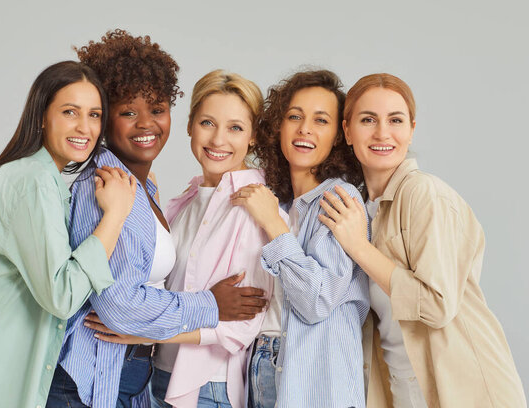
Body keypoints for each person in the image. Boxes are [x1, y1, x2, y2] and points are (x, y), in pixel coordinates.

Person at [46, 32, 267, 408]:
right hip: (91, 378)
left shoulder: (147, 190)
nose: (146, 124)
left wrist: (148, 335)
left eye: (157, 109)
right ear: (103, 118)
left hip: (134, 376)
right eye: (128, 112)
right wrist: (210, 304)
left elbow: (248, 315)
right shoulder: (103, 183)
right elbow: (118, 306)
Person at [0, 60, 137, 408]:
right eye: (70, 112)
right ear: (42, 116)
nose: (85, 127)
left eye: (95, 115)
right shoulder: (32, 181)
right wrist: (115, 215)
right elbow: (62, 294)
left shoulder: (39, 179)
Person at [318, 73, 527, 407]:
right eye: (368, 119)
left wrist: (359, 247)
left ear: (411, 129)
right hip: (403, 386)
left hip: (463, 389)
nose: (382, 132)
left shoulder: (422, 193)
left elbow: (436, 305)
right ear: (347, 131)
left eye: (395, 120)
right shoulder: (361, 209)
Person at [232, 70, 370, 407]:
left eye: (321, 120)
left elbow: (316, 301)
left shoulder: (340, 198)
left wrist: (273, 225)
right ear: (278, 126)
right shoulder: (277, 203)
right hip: (262, 363)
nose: (305, 128)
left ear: (339, 135)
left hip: (316, 379)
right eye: (295, 116)